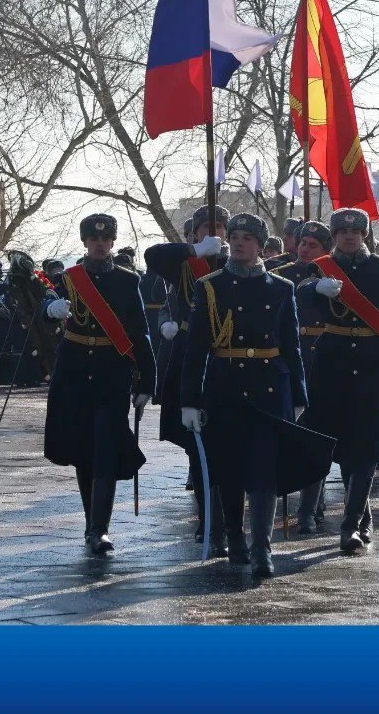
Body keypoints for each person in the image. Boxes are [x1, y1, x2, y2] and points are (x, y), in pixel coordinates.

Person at [180, 213, 309, 576]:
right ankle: (235, 537)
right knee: (230, 470)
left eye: (247, 238)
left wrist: (299, 394)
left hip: (269, 388)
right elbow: (196, 349)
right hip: (226, 386)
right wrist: (189, 400)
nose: (238, 243)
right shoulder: (210, 287)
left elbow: (291, 346)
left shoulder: (281, 288)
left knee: (265, 470)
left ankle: (262, 547)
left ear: (260, 246)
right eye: (234, 237)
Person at [300, 208, 379, 553]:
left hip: (371, 365)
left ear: (364, 234)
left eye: (355, 231)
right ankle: (358, 517)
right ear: (334, 235)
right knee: (332, 442)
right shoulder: (321, 267)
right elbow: (298, 295)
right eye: (342, 231)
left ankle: (350, 525)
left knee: (365, 447)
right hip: (331, 365)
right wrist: (316, 288)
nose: (349, 236)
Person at [42, 213, 155, 555]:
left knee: (106, 446)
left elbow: (139, 331)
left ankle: (99, 529)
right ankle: (91, 523)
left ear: (112, 242)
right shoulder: (69, 279)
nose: (100, 245)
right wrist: (51, 308)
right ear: (85, 242)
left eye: (105, 240)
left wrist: (147, 381)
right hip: (74, 372)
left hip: (111, 372)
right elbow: (42, 306)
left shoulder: (127, 280)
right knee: (83, 450)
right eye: (94, 240)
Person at [145, 204, 230, 551]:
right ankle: (208, 518)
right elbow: (153, 256)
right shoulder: (182, 263)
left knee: (228, 443)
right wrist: (196, 251)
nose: (214, 233)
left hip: (227, 358)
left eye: (219, 227)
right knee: (196, 443)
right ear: (195, 233)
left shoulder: (236, 263)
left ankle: (227, 519)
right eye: (206, 227)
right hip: (188, 354)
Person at [274, 220, 332, 533]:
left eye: (313, 245)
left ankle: (310, 508)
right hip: (291, 360)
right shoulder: (279, 274)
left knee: (318, 436)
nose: (305, 249)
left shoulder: (335, 274)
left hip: (324, 359)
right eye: (303, 243)